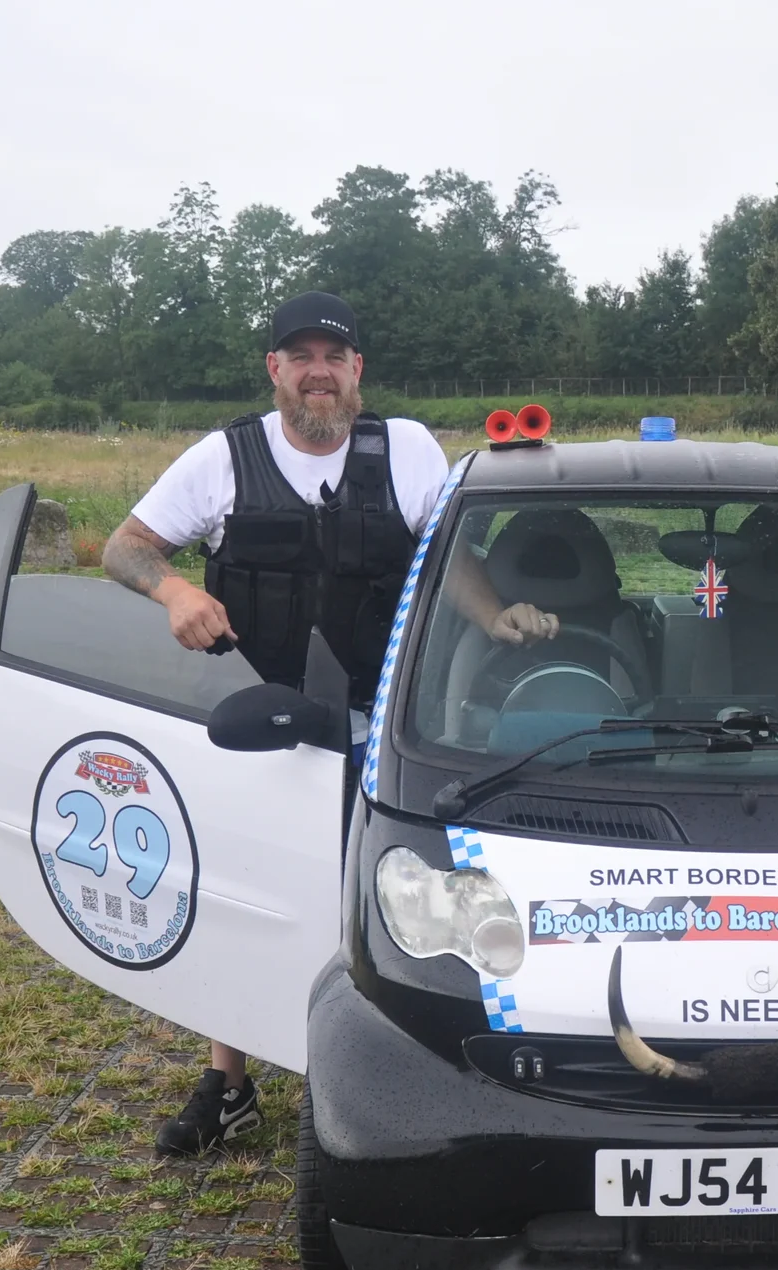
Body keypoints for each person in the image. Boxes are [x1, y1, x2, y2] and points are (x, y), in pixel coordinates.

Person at [104, 291, 560, 1155]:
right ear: (275, 370)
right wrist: (175, 590)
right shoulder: (222, 457)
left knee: (385, 895)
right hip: (256, 721)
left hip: (382, 722)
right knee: (238, 891)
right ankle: (228, 1081)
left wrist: (495, 615)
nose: (319, 372)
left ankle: (396, 1065)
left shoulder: (410, 450)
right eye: (300, 356)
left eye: (335, 357)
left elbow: (446, 557)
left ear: (358, 372)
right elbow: (125, 547)